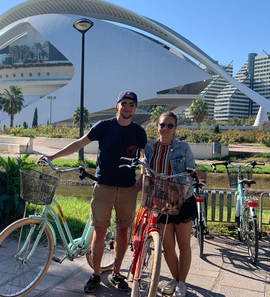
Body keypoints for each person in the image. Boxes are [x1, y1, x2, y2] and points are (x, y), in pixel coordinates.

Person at [38, 91, 147, 293]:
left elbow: (144, 157)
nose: (127, 107)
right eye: (124, 103)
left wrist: (143, 177)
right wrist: (53, 155)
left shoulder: (139, 132)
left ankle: (116, 272)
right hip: (103, 186)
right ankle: (96, 273)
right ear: (117, 106)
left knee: (124, 231)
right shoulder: (104, 126)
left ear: (135, 108)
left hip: (128, 190)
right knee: (100, 230)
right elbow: (79, 143)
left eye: (131, 104)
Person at [144, 111, 198, 297]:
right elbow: (146, 169)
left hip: (182, 200)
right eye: (162, 125)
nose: (165, 128)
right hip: (161, 201)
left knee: (183, 243)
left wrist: (190, 175)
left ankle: (182, 283)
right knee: (167, 246)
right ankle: (175, 279)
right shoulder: (150, 147)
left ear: (175, 128)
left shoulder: (183, 147)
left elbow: (192, 169)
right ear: (157, 126)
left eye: (170, 125)